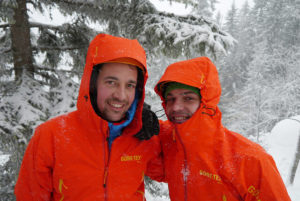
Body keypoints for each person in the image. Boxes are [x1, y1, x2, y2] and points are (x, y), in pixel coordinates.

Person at [15, 33, 162, 201]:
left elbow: (183, 163)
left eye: (129, 85)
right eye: (111, 82)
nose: (121, 96)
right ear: (92, 83)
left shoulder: (144, 134)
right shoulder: (51, 136)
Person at [154, 57, 291, 201]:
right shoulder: (171, 144)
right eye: (170, 99)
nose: (176, 107)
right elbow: (150, 161)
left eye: (188, 98)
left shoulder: (249, 159)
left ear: (206, 102)